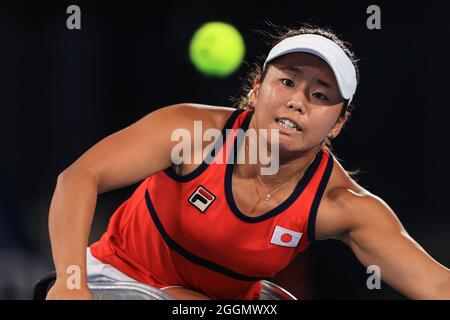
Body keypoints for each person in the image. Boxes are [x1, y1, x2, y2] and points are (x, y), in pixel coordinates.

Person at [46, 25, 450, 300]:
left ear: (338, 125)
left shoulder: (341, 204)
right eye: (287, 81)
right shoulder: (193, 133)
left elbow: (434, 284)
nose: (297, 100)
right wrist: (70, 279)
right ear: (256, 90)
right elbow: (80, 176)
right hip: (115, 279)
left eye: (321, 95)